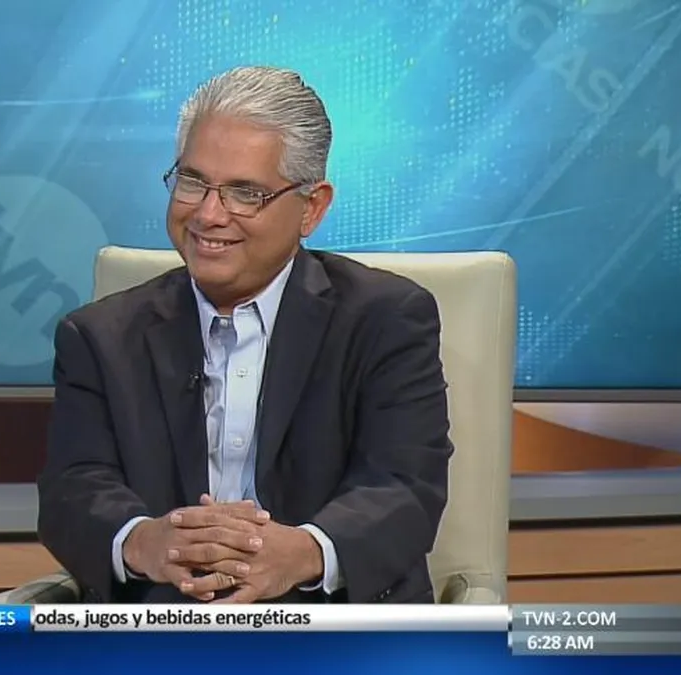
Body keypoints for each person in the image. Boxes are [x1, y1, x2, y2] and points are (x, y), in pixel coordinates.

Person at [38, 66, 452, 604]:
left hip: (333, 624)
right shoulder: (99, 337)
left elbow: (405, 487)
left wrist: (302, 553)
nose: (209, 214)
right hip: (166, 625)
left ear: (311, 208)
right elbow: (72, 491)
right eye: (192, 181)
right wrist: (144, 542)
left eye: (245, 193)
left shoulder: (386, 320)